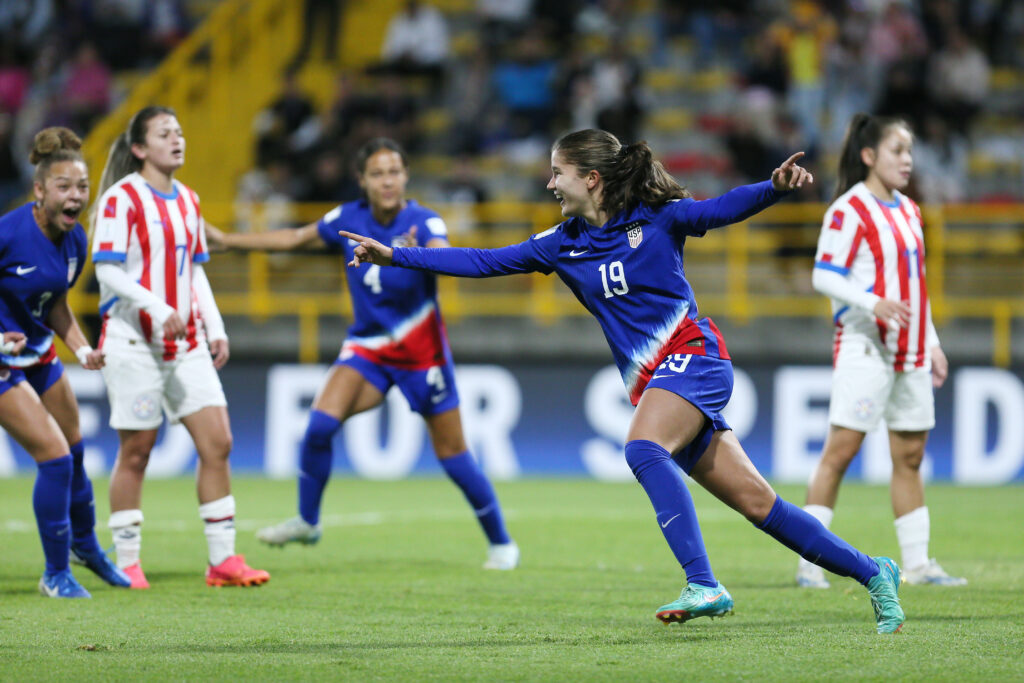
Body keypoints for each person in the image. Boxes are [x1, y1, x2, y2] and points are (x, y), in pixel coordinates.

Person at [340, 129, 906, 634]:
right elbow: (484, 260)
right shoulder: (561, 243)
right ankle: (873, 571)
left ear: (590, 178)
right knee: (760, 504)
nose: (549, 182)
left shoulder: (658, 215)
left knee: (640, 446)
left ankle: (703, 583)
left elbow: (718, 209)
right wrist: (396, 257)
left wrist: (774, 187)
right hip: (658, 380)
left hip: (695, 356)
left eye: (557, 172)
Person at [206, 137, 518, 570]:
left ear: (406, 176)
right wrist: (229, 240)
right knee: (318, 426)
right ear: (362, 180)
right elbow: (296, 237)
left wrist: (404, 253)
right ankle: (307, 521)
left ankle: (501, 542)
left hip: (421, 355)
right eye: (377, 173)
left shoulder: (424, 221)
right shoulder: (348, 218)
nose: (387, 181)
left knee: (454, 456)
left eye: (394, 171)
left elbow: (443, 256)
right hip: (368, 347)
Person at [91, 106, 269, 589]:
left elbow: (194, 269)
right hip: (133, 342)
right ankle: (126, 561)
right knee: (137, 451)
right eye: (164, 133)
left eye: (180, 131)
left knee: (219, 442)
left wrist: (215, 326)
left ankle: (223, 561)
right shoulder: (120, 199)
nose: (178, 139)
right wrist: (155, 304)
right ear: (139, 148)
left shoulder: (188, 200)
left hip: (185, 342)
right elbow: (106, 270)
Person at [796, 113, 966, 589]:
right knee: (840, 452)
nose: (907, 160)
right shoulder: (848, 210)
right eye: (898, 151)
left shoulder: (910, 210)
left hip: (910, 352)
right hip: (866, 345)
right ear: (869, 155)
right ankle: (809, 562)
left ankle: (917, 565)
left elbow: (916, 287)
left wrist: (930, 341)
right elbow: (824, 275)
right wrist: (874, 302)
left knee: (910, 455)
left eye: (910, 152)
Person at [0, 127, 130, 597]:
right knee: (54, 459)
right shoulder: (8, 234)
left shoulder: (76, 242)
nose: (75, 196)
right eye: (63, 186)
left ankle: (85, 548)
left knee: (75, 452)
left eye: (82, 187)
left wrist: (82, 345)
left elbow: (54, 304)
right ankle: (55, 573)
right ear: (39, 190)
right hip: (1, 364)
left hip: (37, 353)